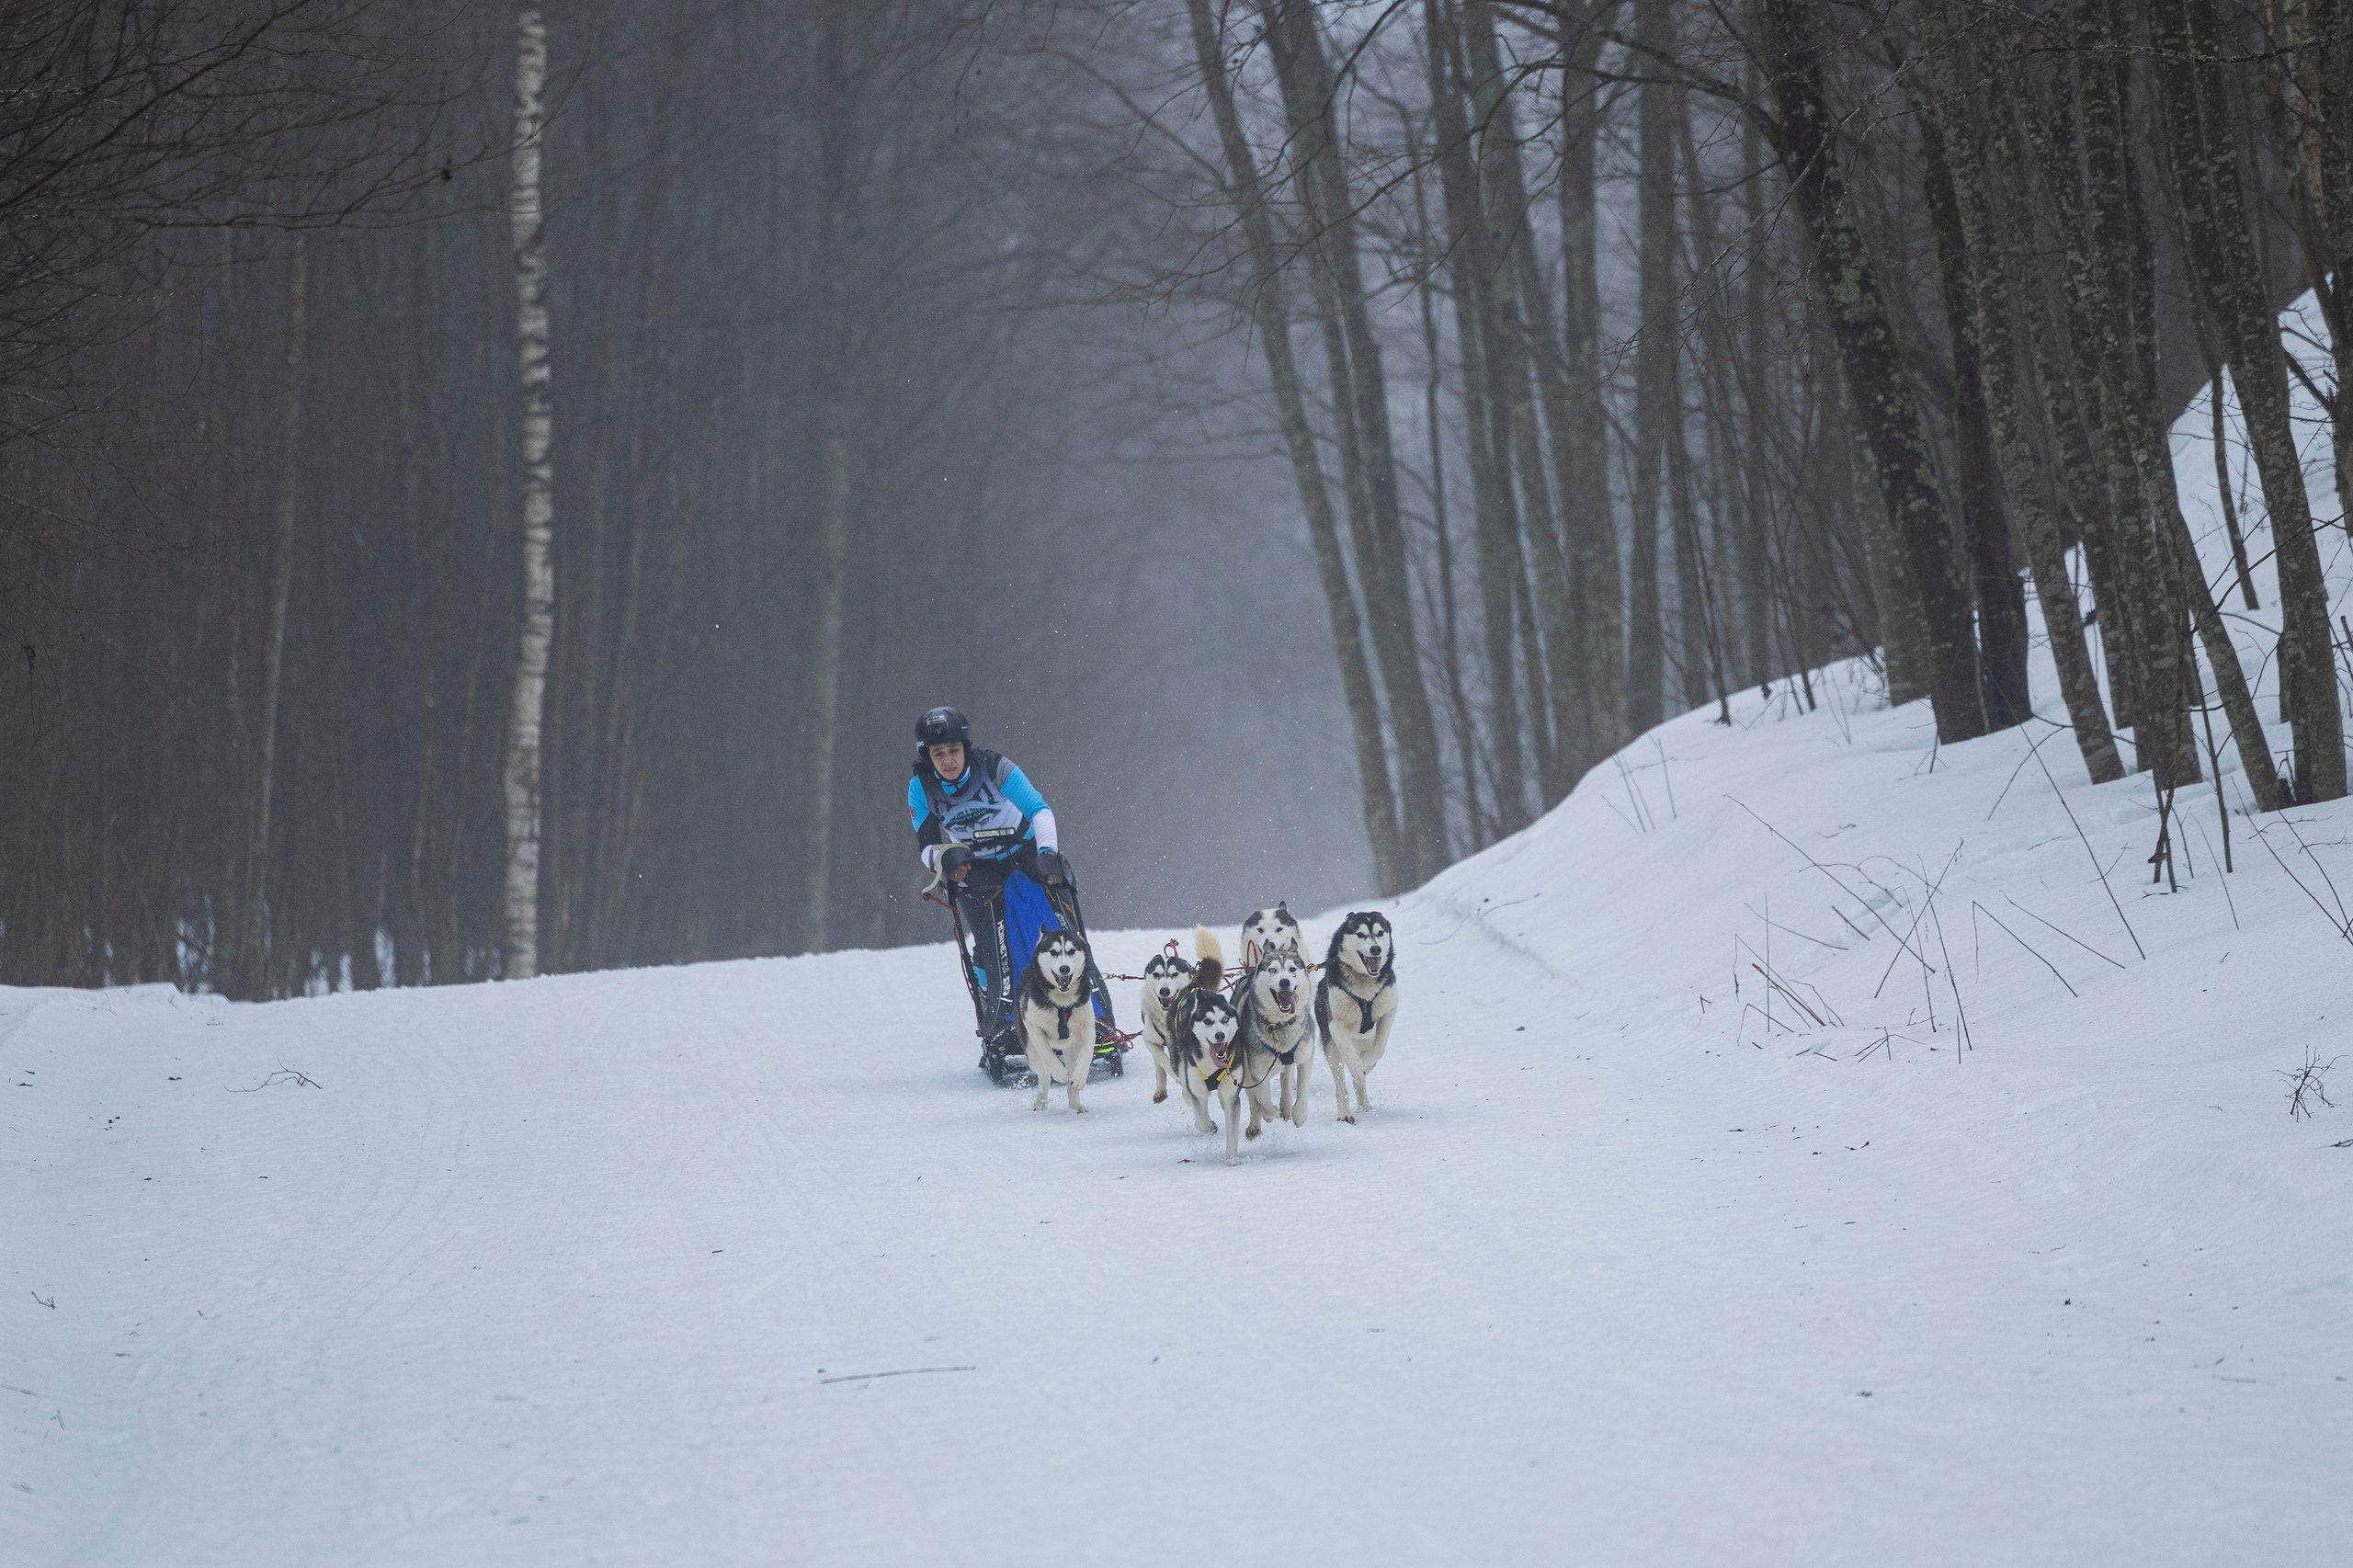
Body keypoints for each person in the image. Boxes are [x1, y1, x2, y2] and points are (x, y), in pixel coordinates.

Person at [908, 706, 1114, 1074]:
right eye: (938, 754)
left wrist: (1048, 854)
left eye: (954, 750)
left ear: (966, 748)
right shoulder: (920, 787)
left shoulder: (994, 768)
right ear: (928, 756)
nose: (948, 761)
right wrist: (944, 857)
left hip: (1024, 853)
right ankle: (1003, 1025)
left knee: (1057, 939)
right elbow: (926, 844)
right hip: (977, 866)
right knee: (991, 945)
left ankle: (1095, 1020)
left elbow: (1040, 810)